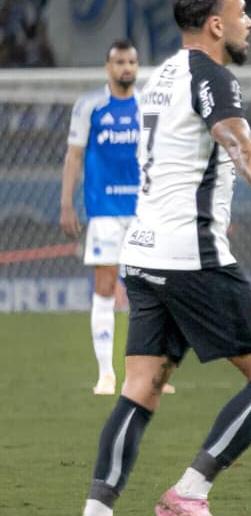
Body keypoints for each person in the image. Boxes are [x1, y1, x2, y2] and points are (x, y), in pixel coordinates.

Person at [82, 0, 251, 516]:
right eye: (241, 12)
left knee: (141, 389)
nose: (248, 22)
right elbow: (235, 139)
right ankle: (189, 492)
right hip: (193, 257)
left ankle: (96, 511)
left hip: (142, 254)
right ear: (214, 25)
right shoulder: (212, 76)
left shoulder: (162, 76)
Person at [60, 40, 172, 395]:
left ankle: (152, 375)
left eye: (132, 62)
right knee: (106, 287)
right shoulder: (89, 106)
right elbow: (74, 156)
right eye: (120, 62)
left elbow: (162, 158)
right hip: (105, 211)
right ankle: (106, 374)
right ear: (108, 67)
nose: (127, 68)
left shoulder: (148, 105)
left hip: (145, 212)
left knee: (153, 292)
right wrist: (66, 203)